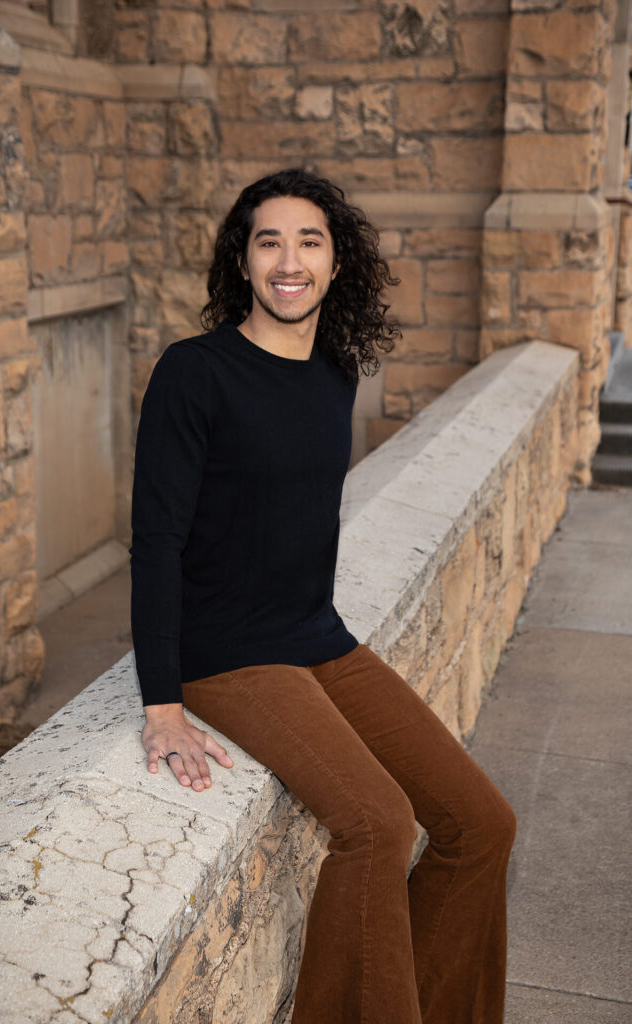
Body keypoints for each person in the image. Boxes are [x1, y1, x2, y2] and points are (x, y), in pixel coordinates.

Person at [129, 168, 517, 1024]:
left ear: (336, 265)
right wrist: (162, 704)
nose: (289, 259)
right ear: (242, 262)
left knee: (480, 823)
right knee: (375, 823)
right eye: (268, 240)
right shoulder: (193, 374)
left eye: (310, 240)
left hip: (316, 637)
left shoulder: (333, 371)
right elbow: (156, 542)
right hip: (225, 654)